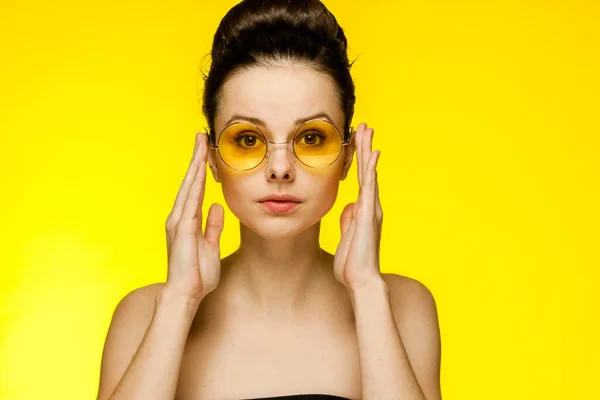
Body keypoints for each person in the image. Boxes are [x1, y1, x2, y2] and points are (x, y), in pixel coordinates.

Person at [96, 1, 441, 399]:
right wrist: (179, 301)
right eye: (248, 139)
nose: (280, 168)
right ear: (211, 158)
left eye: (311, 138)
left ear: (348, 156)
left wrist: (365, 289)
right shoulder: (143, 315)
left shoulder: (403, 307)